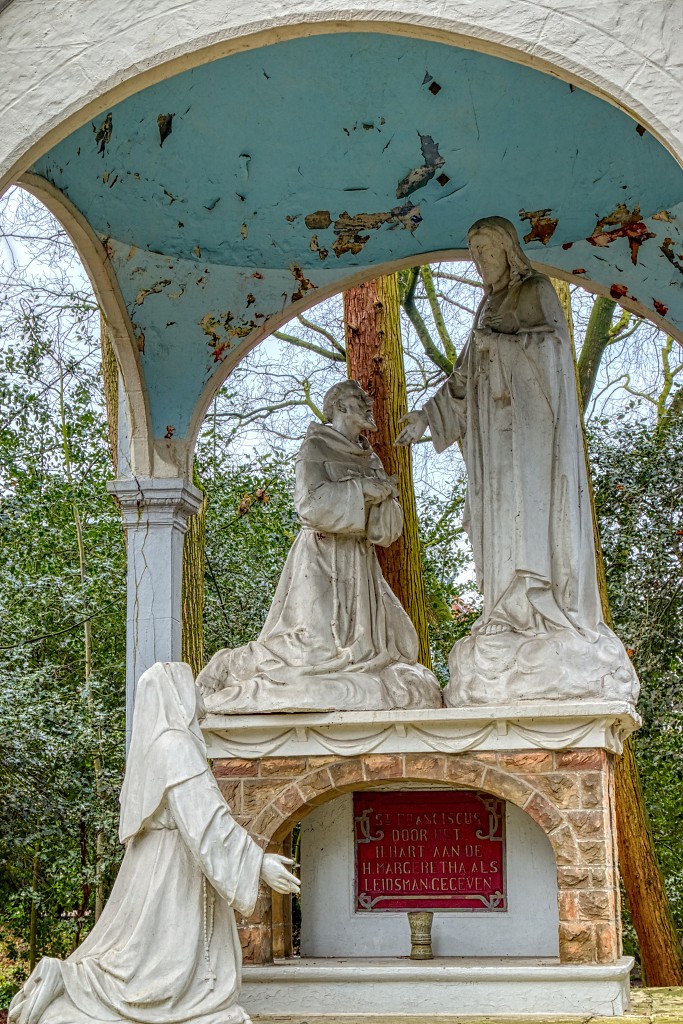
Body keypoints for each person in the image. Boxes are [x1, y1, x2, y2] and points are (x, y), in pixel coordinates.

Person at [396, 216, 639, 706]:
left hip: (531, 442)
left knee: (530, 519)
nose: (480, 262)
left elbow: (552, 351)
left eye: (486, 252)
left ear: (508, 250)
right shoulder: (486, 306)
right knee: (498, 523)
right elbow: (463, 379)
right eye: (474, 255)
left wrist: (504, 345)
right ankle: (505, 612)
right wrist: (426, 417)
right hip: (494, 445)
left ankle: (540, 609)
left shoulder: (536, 291)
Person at [9, 662, 300, 1024]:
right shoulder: (175, 745)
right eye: (191, 686)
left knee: (152, 950)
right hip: (172, 865)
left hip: (160, 859)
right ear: (176, 694)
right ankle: (88, 988)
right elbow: (205, 820)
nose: (199, 694)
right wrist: (258, 864)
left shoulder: (160, 745)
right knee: (159, 957)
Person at [198, 380, 442, 712]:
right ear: (339, 407)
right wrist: (363, 490)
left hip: (359, 560)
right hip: (321, 558)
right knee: (309, 646)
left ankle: (358, 671)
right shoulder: (315, 447)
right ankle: (228, 665)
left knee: (381, 646)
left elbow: (385, 531)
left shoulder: (370, 458)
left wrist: (386, 500)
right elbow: (309, 506)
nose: (368, 403)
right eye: (359, 398)